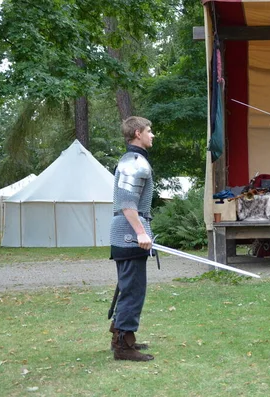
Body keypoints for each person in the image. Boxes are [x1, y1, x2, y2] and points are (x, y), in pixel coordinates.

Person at [109, 116, 156, 361]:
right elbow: (128, 204)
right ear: (138, 133)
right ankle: (123, 348)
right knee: (132, 291)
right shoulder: (135, 163)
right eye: (149, 131)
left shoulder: (134, 161)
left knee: (129, 288)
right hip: (129, 234)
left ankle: (124, 337)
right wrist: (140, 232)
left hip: (128, 234)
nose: (152, 135)